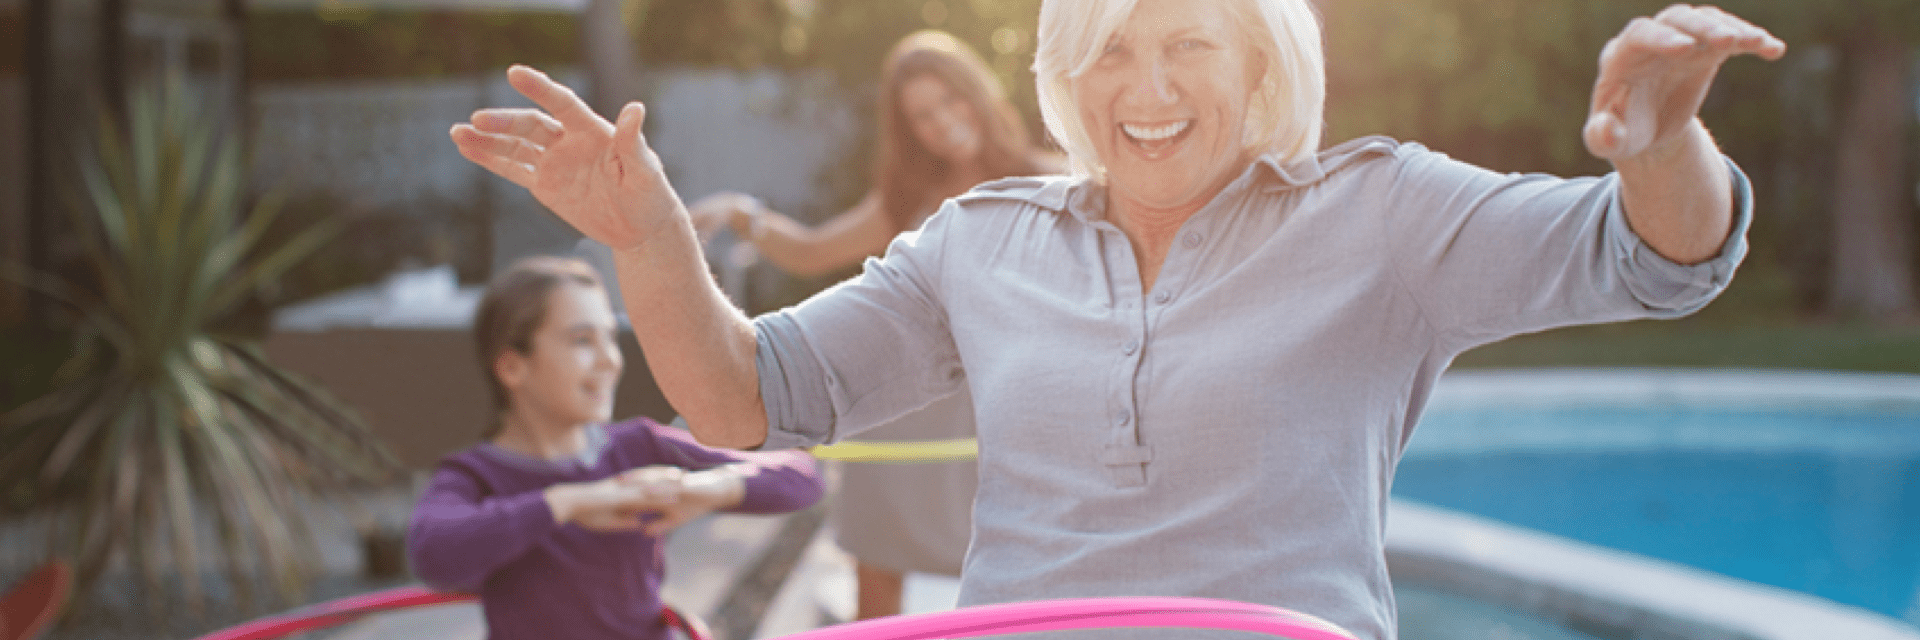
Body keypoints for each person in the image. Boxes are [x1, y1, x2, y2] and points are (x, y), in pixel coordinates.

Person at [446, 1, 1784, 638]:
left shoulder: (1382, 212)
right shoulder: (980, 242)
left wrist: (1663, 146)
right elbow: (744, 397)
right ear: (1067, 76)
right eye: (1111, 49)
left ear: (1262, 63)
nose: (1146, 87)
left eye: (1189, 42)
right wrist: (652, 241)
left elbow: (1653, 257)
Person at [688, 30, 1061, 621]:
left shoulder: (1058, 183)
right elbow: (811, 250)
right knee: (878, 578)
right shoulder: (908, 203)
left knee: (1012, 581)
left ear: (978, 93)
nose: (943, 122)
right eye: (923, 116)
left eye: (951, 100)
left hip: (999, 420)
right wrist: (741, 213)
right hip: (899, 417)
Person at [405, 256, 823, 640]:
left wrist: (704, 489)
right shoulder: (476, 476)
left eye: (609, 337)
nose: (609, 360)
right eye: (582, 340)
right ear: (513, 366)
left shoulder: (639, 445)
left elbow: (801, 477)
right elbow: (433, 555)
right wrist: (571, 502)